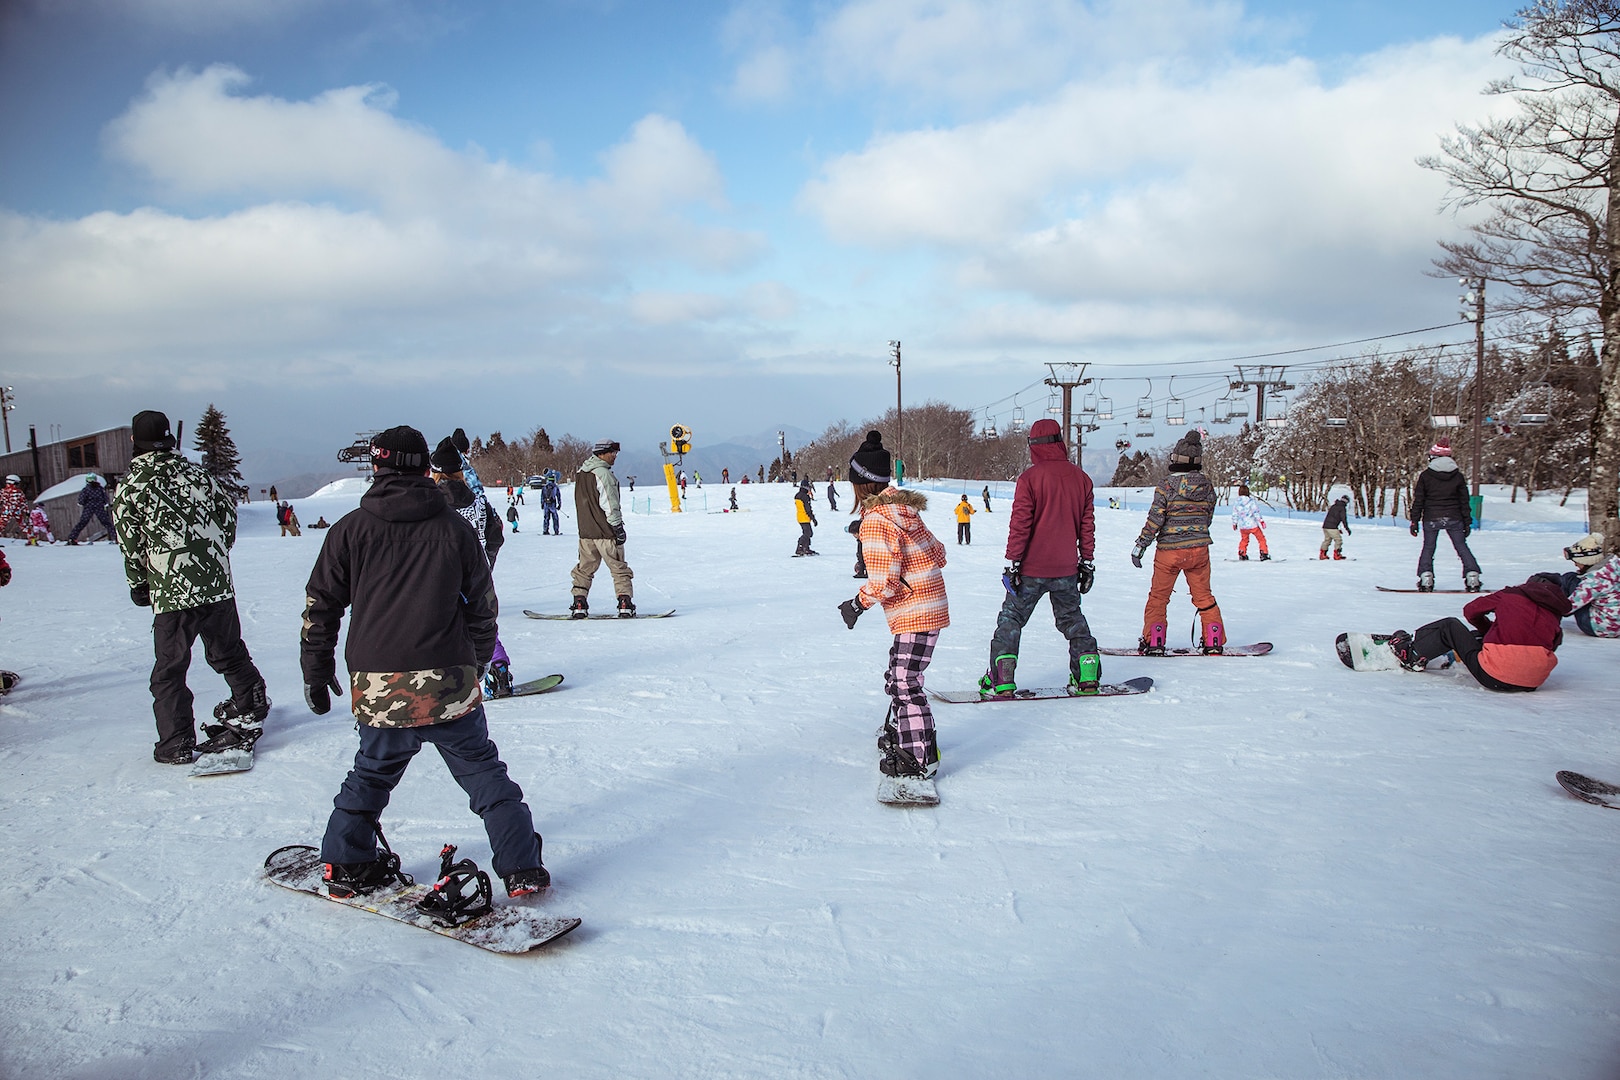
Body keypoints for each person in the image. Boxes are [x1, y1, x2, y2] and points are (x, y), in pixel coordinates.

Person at [300, 425, 551, 899]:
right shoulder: (454, 528)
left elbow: (320, 607)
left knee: (370, 775)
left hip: (378, 685)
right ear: (424, 469)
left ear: (378, 466)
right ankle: (521, 869)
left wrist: (315, 672)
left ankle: (346, 864)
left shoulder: (350, 530)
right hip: (448, 682)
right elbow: (484, 608)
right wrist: (474, 667)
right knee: (484, 775)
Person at [111, 410, 269, 765]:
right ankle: (251, 701)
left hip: (172, 591)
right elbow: (227, 520)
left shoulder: (133, 484)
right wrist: (213, 557)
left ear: (135, 441)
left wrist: (140, 583)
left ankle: (176, 741)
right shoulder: (199, 475)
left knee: (170, 668)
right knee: (228, 651)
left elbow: (130, 541)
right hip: (215, 583)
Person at [837, 431, 949, 780]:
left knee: (905, 682)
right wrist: (874, 535)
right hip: (929, 606)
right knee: (899, 675)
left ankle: (918, 757)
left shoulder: (879, 520)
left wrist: (856, 604)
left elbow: (885, 581)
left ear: (861, 484)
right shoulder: (903, 510)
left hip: (915, 610)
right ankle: (906, 734)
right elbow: (939, 554)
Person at [979, 418, 1102, 696]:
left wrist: (1012, 562)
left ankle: (1003, 678)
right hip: (1066, 569)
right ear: (1060, 441)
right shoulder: (1082, 479)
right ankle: (1086, 672)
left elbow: (1020, 524)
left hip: (1031, 569)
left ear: (1033, 446)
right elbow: (1087, 525)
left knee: (1011, 620)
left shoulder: (1029, 479)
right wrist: (1087, 561)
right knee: (1072, 618)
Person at [1386, 573, 1571, 692]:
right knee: (1484, 637)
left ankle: (1411, 654)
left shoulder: (1512, 594)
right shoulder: (1555, 610)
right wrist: (1490, 633)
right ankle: (1457, 653)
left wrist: (1486, 629)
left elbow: (1471, 611)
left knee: (1449, 626)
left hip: (1493, 676)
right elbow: (1552, 643)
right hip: (1533, 682)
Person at [430, 437, 514, 697]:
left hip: (438, 577)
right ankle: (498, 671)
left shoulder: (432, 504)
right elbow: (496, 535)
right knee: (482, 626)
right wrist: (486, 566)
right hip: (475, 577)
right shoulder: (479, 502)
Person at [1130, 429, 1225, 655]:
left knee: (1159, 597)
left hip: (1169, 552)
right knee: (1204, 596)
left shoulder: (1166, 486)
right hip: (1199, 549)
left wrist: (1141, 545)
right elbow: (1208, 517)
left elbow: (1155, 519)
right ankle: (1213, 639)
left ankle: (1154, 640)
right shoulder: (1208, 486)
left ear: (1175, 459)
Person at [571, 439, 634, 617]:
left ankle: (579, 602)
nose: (614, 456)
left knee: (584, 569)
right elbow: (610, 503)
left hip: (586, 531)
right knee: (618, 568)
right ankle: (624, 602)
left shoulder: (581, 473)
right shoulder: (603, 474)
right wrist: (618, 527)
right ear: (601, 454)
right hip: (605, 532)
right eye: (612, 453)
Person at [1410, 437, 1481, 593]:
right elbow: (1464, 501)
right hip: (1454, 516)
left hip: (1431, 517)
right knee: (1461, 547)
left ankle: (1426, 577)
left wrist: (1414, 520)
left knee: (1428, 548)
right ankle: (1472, 576)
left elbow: (1419, 500)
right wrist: (1467, 521)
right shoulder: (1458, 476)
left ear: (1433, 457)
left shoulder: (1426, 476)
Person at [1561, 533, 1619, 638]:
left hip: (1601, 628)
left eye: (1576, 561)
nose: (1575, 564)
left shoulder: (1593, 581)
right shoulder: (1615, 565)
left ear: (1586, 561)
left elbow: (1567, 609)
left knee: (1569, 579)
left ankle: (1545, 616)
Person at [66, 475, 115, 545]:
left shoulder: (86, 489)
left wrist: (82, 503)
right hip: (99, 507)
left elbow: (81, 500)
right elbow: (105, 498)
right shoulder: (100, 488)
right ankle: (116, 537)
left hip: (89, 508)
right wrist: (104, 503)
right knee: (107, 523)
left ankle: (72, 538)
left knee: (82, 523)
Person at [1232, 484, 1270, 561]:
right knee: (1261, 538)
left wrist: (1234, 523)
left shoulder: (1236, 502)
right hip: (1252, 525)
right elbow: (1255, 512)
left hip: (1243, 526)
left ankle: (1242, 552)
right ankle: (1264, 553)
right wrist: (1261, 521)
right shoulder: (1251, 501)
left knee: (1244, 540)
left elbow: (1234, 513)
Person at [1319, 494, 1350, 561]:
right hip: (1332, 527)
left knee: (1327, 540)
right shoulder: (1342, 508)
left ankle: (1322, 554)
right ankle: (1337, 555)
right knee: (1338, 540)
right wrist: (1347, 528)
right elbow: (1343, 519)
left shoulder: (1334, 506)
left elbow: (1333, 517)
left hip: (1325, 526)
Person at [793, 478, 819, 556]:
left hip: (800, 517)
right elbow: (808, 509)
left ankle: (806, 547)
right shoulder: (805, 496)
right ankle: (800, 547)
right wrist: (813, 518)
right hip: (804, 517)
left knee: (808, 533)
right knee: (807, 533)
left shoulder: (798, 495)